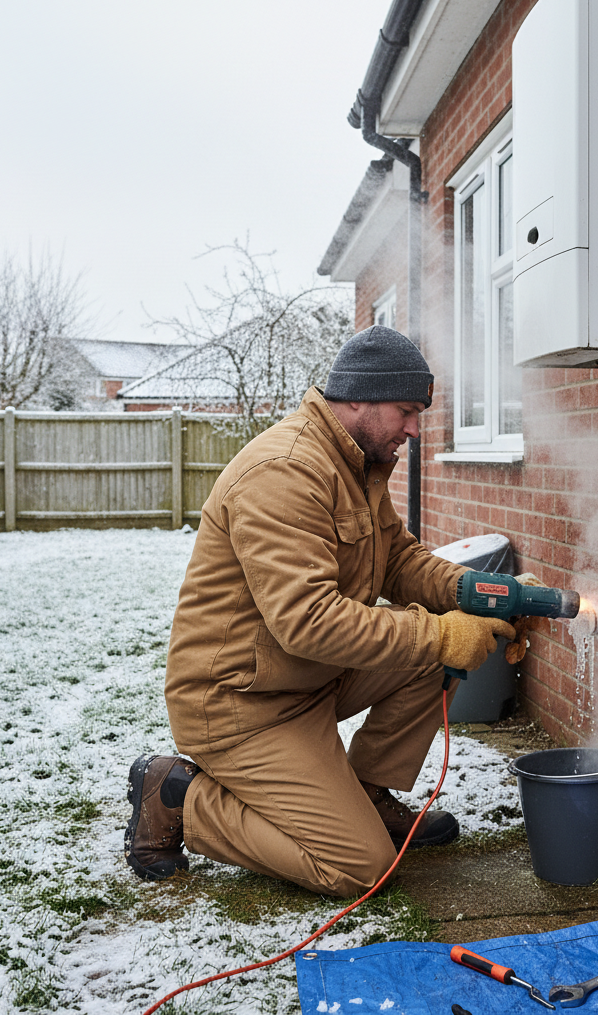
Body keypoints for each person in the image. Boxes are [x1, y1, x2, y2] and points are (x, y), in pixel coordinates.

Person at [124, 325, 518, 898]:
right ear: (357, 397)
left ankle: (365, 793)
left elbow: (401, 561)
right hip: (241, 703)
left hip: (307, 680)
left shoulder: (355, 465)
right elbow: (306, 619)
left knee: (434, 659)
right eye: (406, 410)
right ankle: (180, 796)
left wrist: (486, 595)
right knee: (361, 868)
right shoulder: (285, 471)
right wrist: (438, 634)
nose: (415, 427)